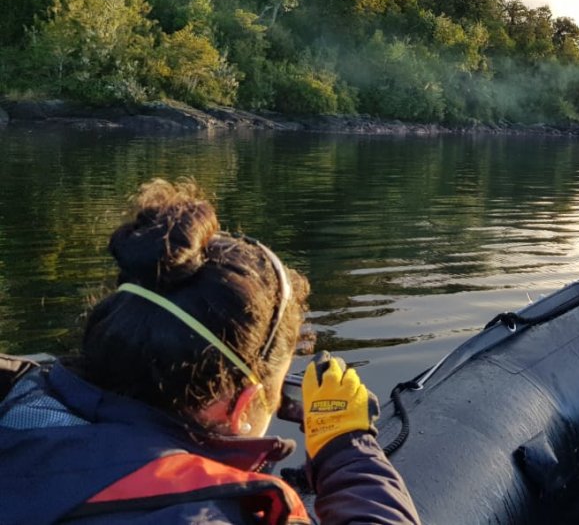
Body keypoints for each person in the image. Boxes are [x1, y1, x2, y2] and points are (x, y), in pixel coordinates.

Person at [0, 179, 421, 524]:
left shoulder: (15, 401)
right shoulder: (202, 517)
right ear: (238, 407)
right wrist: (347, 448)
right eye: (276, 390)